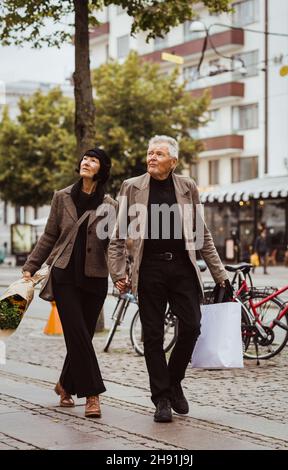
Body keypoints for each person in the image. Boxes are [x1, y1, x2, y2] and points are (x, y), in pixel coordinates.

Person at [108, 135, 229, 423]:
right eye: (150, 153)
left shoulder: (187, 187)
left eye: (159, 154)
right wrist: (118, 273)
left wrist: (220, 274)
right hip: (148, 269)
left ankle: (174, 381)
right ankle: (161, 398)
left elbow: (203, 235)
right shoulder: (132, 187)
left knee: (191, 326)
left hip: (182, 269)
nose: (151, 158)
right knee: (152, 335)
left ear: (172, 162)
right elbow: (117, 237)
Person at [22, 148, 116, 418]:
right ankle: (92, 395)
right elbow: (49, 236)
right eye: (85, 158)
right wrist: (31, 266)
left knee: (82, 336)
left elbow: (114, 245)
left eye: (93, 159)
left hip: (95, 277)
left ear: (102, 168)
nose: (86, 162)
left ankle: (64, 384)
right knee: (76, 332)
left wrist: (123, 274)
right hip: (64, 276)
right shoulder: (62, 197)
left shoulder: (110, 205)